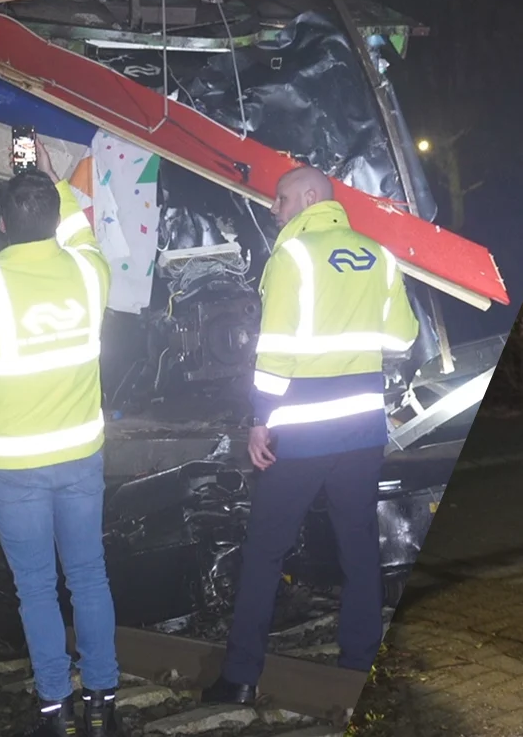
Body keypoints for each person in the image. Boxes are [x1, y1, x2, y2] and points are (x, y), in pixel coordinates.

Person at [203, 165, 419, 704]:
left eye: (279, 199)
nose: (274, 209)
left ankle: (241, 676)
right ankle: (358, 669)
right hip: (363, 432)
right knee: (359, 550)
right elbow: (402, 337)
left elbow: (274, 351)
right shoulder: (379, 256)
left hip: (300, 435)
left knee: (265, 551)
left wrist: (261, 419)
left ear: (306, 198)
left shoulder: (293, 256)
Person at [0, 145, 121, 737]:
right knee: (89, 576)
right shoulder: (90, 274)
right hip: (80, 457)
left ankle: (53, 707)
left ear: (4, 223)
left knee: (35, 587)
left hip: (14, 466)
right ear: (52, 216)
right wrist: (54, 182)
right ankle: (103, 700)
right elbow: (81, 230)